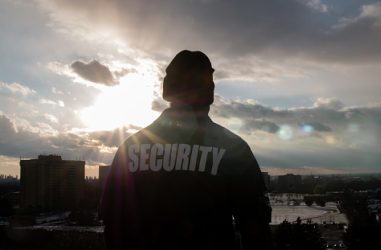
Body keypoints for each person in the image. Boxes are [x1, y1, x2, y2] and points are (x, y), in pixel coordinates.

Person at [100, 50, 272, 250]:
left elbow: (113, 225)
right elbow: (255, 228)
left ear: (168, 90)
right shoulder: (233, 148)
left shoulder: (131, 147)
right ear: (210, 92)